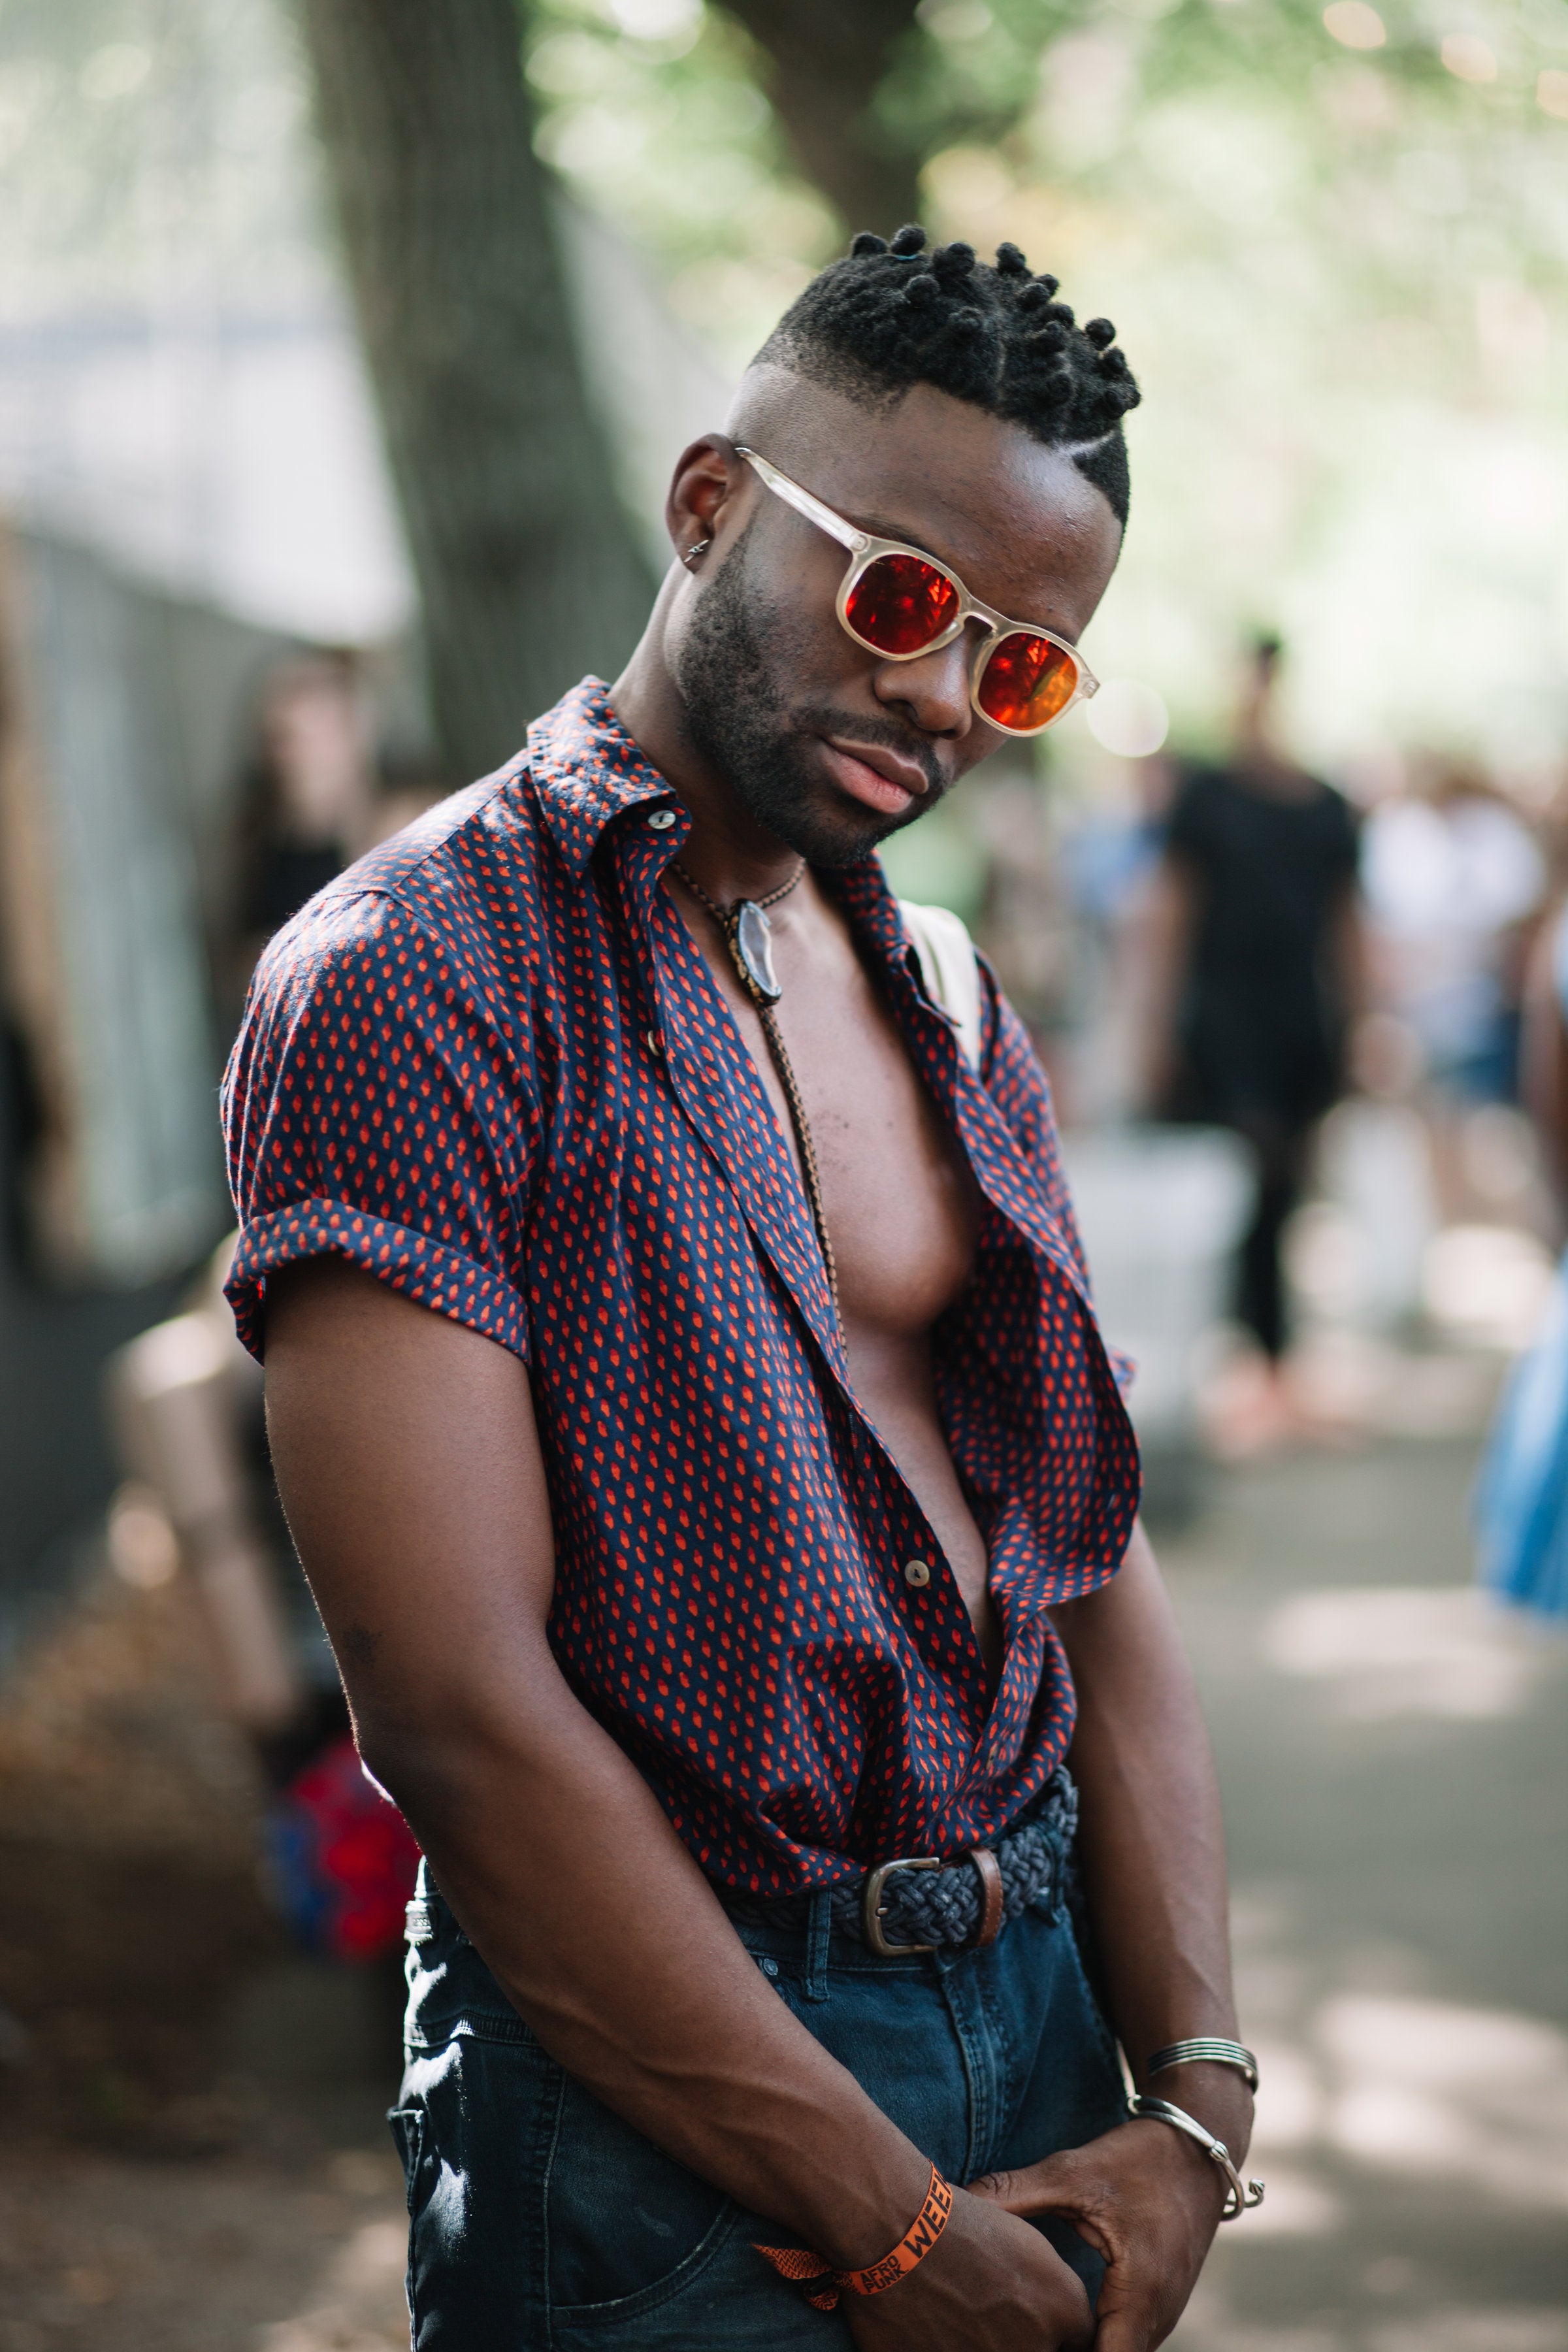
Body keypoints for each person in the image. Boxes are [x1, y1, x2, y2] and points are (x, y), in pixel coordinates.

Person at [222, 227, 1260, 2351]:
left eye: (1022, 666)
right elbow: (461, 1722)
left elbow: (1085, 1543)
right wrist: (882, 2222)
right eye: (898, 595)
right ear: (710, 502)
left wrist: (1200, 2103)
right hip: (666, 2118)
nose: (942, 691)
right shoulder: (415, 983)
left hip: (1049, 2018)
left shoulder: (955, 999)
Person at [1145, 635, 1362, 1435]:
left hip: (1298, 1022)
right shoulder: (1204, 799)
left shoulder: (1327, 805)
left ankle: (1272, 1369)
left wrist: (1361, 1024)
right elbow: (1170, 915)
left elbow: (1348, 927)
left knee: (1286, 1198)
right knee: (1240, 1195)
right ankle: (1246, 1371)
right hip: (1227, 1025)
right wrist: (1157, 1025)